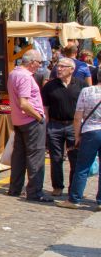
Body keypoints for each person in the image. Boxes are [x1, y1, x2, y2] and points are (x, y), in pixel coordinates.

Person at [7, 50, 53, 202]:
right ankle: (34, 192)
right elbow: (24, 103)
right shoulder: (25, 77)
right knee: (35, 156)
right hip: (30, 121)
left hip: (19, 120)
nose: (40, 65)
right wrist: (39, 117)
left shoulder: (14, 73)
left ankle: (15, 188)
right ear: (32, 62)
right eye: (39, 62)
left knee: (19, 155)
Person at [56, 76, 101, 210]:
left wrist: (77, 135)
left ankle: (74, 199)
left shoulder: (87, 91)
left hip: (90, 132)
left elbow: (77, 116)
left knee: (82, 167)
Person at [41, 57, 83, 196]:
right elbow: (45, 107)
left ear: (72, 69)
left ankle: (74, 189)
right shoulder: (50, 86)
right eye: (58, 66)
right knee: (56, 158)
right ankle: (57, 187)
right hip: (55, 125)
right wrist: (46, 124)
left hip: (73, 126)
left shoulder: (81, 85)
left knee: (75, 158)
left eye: (63, 66)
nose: (58, 69)